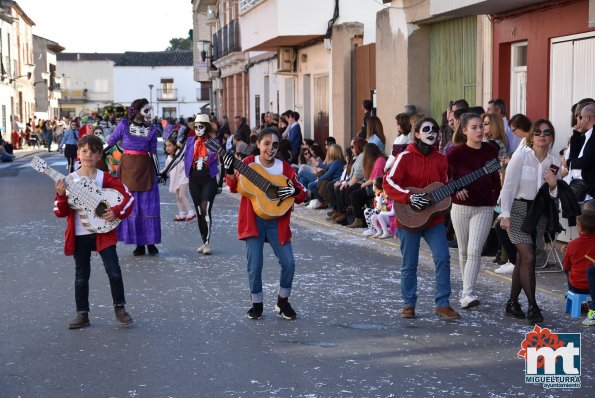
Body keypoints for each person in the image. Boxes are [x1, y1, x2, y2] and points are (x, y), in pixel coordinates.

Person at [223, 128, 306, 319]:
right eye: (266, 143)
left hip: (278, 221)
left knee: (289, 262)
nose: (270, 148)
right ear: (258, 144)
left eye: (275, 144)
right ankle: (257, 304)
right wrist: (228, 169)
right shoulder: (248, 163)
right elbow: (234, 186)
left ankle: (282, 302)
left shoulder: (284, 168)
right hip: (254, 219)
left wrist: (293, 191)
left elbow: (301, 193)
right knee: (255, 264)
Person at [53, 135, 134, 329]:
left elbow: (128, 198)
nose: (88, 154)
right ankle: (82, 314)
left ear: (99, 156)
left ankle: (120, 309)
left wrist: (115, 211)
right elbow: (59, 211)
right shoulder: (68, 180)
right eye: (84, 151)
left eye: (93, 152)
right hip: (80, 234)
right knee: (81, 274)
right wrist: (61, 195)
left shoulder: (104, 178)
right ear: (78, 154)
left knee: (113, 270)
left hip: (104, 232)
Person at [383, 117, 461, 321]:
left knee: (443, 258)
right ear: (416, 133)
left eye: (434, 129)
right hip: (408, 217)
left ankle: (442, 304)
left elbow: (442, 185)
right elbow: (388, 181)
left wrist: (454, 191)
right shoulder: (405, 156)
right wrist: (409, 197)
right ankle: (408, 304)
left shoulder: (441, 159)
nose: (431, 132)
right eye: (426, 129)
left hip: (433, 218)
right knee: (410, 263)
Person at [499, 119, 560, 325]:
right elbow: (508, 186)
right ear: (531, 137)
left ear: (551, 137)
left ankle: (512, 302)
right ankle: (533, 305)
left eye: (547, 132)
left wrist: (553, 185)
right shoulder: (521, 157)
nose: (542, 135)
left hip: (539, 212)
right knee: (529, 256)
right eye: (537, 132)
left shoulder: (554, 162)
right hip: (517, 209)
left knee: (523, 259)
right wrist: (504, 214)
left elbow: (554, 195)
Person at [447, 113, 501, 309]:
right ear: (464, 131)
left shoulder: (491, 150)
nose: (479, 130)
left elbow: (495, 179)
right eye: (475, 127)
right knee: (463, 251)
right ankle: (466, 291)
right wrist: (456, 189)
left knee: (474, 250)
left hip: (485, 206)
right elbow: (446, 178)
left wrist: (497, 203)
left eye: (481, 126)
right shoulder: (454, 153)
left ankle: (467, 293)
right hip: (460, 207)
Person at [107, 98, 161, 256]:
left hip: (146, 169)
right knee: (133, 205)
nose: (148, 111)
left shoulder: (151, 129)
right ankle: (139, 244)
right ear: (136, 110)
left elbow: (153, 152)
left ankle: (150, 242)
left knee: (147, 205)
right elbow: (111, 141)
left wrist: (159, 172)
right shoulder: (124, 125)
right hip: (128, 169)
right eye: (145, 109)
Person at [183, 114, 220, 255]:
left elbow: (221, 163)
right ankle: (204, 240)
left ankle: (208, 243)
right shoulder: (190, 142)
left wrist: (220, 183)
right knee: (199, 211)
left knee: (205, 209)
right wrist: (163, 172)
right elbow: (179, 156)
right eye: (196, 127)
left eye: (201, 127)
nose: (198, 129)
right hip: (194, 179)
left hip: (208, 179)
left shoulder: (213, 142)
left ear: (207, 128)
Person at [562, 203, 595, 326]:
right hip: (592, 285)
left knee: (567, 268)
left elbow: (566, 266)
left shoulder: (573, 244)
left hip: (578, 285)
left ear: (579, 227)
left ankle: (576, 300)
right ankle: (588, 303)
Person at [161, 137, 195, 222]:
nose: (167, 148)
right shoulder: (169, 158)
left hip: (183, 177)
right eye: (166, 146)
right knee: (178, 197)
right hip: (175, 178)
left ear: (175, 146)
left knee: (181, 195)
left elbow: (186, 151)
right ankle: (182, 213)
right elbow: (167, 169)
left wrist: (179, 145)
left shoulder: (180, 155)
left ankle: (191, 212)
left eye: (170, 145)